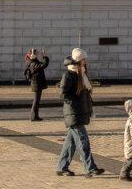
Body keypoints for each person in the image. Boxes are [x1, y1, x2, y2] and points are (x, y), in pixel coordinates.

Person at [57, 48, 103, 176]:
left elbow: (86, 95)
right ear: (78, 60)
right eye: (83, 59)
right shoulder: (69, 74)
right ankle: (90, 167)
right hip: (73, 113)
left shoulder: (81, 74)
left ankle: (62, 167)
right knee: (83, 141)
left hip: (79, 112)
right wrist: (75, 104)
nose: (85, 61)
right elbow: (63, 94)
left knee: (70, 143)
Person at [24, 48, 50, 121]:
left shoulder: (32, 61)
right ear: (33, 55)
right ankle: (33, 117)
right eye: (36, 54)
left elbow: (41, 64)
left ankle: (35, 116)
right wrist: (45, 56)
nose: (38, 55)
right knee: (36, 100)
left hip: (37, 83)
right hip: (36, 83)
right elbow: (44, 65)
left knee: (37, 100)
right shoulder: (32, 63)